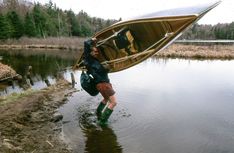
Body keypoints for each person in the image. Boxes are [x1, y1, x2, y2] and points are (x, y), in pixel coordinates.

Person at [83, 37, 117, 125]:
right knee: (113, 103)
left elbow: (101, 72)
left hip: (102, 84)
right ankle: (102, 122)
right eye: (95, 51)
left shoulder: (95, 61)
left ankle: (98, 113)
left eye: (97, 52)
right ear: (90, 52)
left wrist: (108, 68)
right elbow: (86, 43)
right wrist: (92, 40)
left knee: (106, 99)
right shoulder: (89, 60)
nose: (96, 53)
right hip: (103, 84)